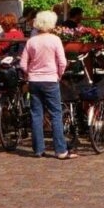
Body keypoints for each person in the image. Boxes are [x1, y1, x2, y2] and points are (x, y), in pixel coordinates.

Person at [19, 9, 71, 159]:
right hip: (50, 79)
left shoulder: (31, 41)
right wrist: (59, 75)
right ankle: (60, 150)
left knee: (36, 114)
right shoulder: (55, 40)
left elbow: (23, 64)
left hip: (34, 81)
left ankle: (38, 149)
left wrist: (30, 73)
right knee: (55, 114)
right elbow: (62, 62)